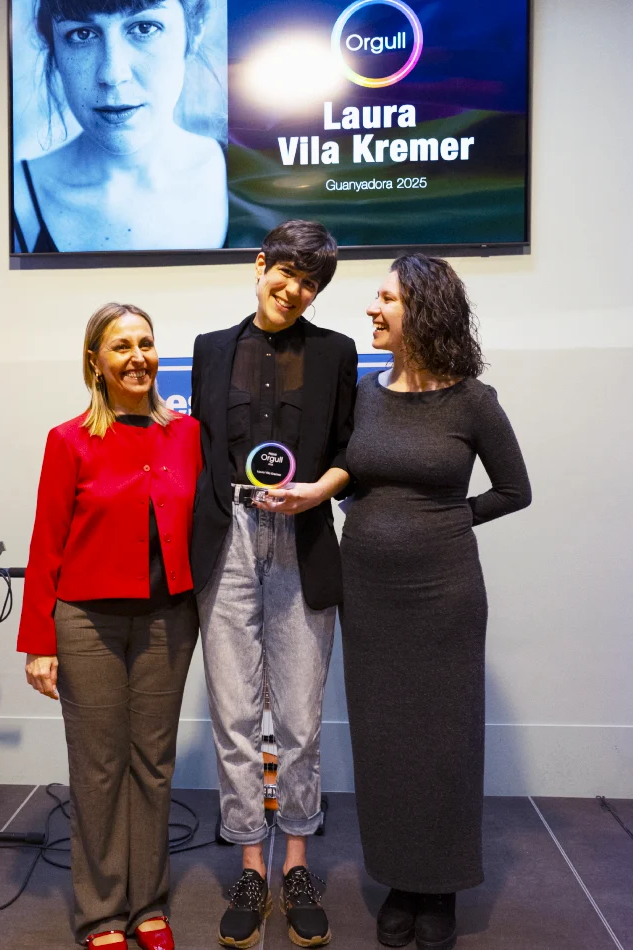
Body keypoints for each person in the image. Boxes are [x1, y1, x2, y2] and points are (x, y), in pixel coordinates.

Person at [339, 255, 532, 950]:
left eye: (385, 298)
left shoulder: (473, 401)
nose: (372, 308)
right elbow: (341, 474)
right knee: (383, 740)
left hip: (444, 594)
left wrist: (448, 520)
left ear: (422, 310)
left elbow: (515, 490)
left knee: (444, 741)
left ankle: (439, 885)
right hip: (367, 592)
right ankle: (399, 880)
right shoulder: (361, 394)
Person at [191, 220, 357, 948]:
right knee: (233, 717)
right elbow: (198, 449)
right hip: (227, 537)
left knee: (298, 720)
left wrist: (319, 490)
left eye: (310, 284)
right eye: (286, 273)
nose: (294, 290)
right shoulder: (210, 348)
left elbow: (350, 447)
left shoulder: (337, 353)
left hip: (302, 536)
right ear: (261, 265)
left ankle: (295, 865)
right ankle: (250, 867)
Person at [17, 303, 202, 950]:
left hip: (168, 620)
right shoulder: (68, 440)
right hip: (87, 622)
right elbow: (46, 544)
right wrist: (38, 643)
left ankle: (148, 906)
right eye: (121, 346)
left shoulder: (188, 435)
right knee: (99, 769)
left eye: (146, 343)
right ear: (95, 361)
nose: (137, 357)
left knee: (153, 764)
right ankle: (101, 914)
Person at [12, 0, 226, 252]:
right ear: (53, 46)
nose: (112, 74)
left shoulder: (251, 179)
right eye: (82, 34)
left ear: (195, 30)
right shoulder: (11, 199)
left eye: (145, 28)